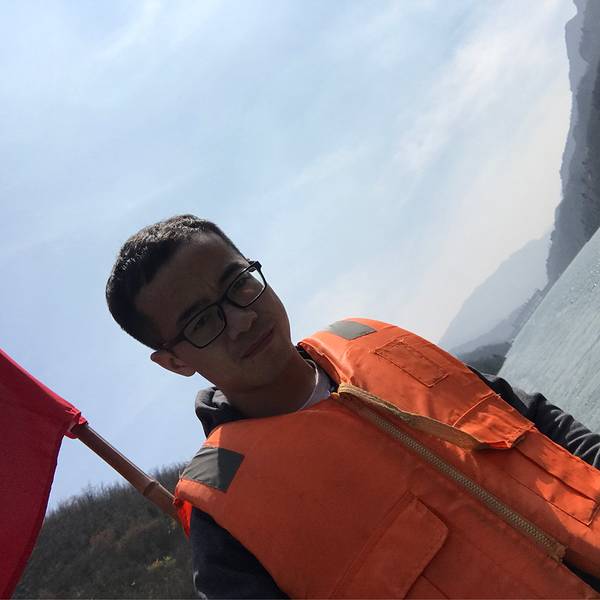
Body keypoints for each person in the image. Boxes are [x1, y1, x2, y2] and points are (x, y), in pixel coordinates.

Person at [106, 214, 600, 598]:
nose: (241, 319)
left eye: (239, 284)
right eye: (201, 322)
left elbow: (532, 419)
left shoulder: (374, 342)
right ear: (174, 362)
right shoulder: (223, 513)